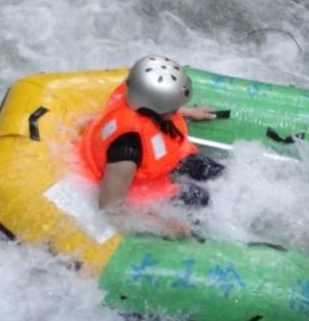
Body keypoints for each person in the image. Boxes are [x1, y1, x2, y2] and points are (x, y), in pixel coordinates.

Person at [79, 55, 223, 238]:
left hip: (163, 163)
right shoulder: (127, 149)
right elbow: (110, 208)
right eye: (173, 109)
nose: (175, 112)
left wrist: (190, 112)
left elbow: (156, 113)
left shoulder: (136, 99)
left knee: (219, 174)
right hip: (141, 187)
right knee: (202, 201)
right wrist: (163, 226)